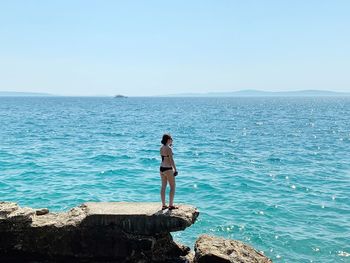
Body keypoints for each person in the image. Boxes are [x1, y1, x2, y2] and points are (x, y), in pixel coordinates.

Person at [159, 134, 178, 210]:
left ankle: (163, 205)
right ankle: (170, 205)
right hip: (168, 168)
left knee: (163, 186)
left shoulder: (161, 148)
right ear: (168, 139)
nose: (172, 140)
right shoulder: (169, 148)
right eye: (171, 139)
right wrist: (175, 169)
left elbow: (163, 159)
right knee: (172, 187)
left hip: (161, 168)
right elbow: (171, 160)